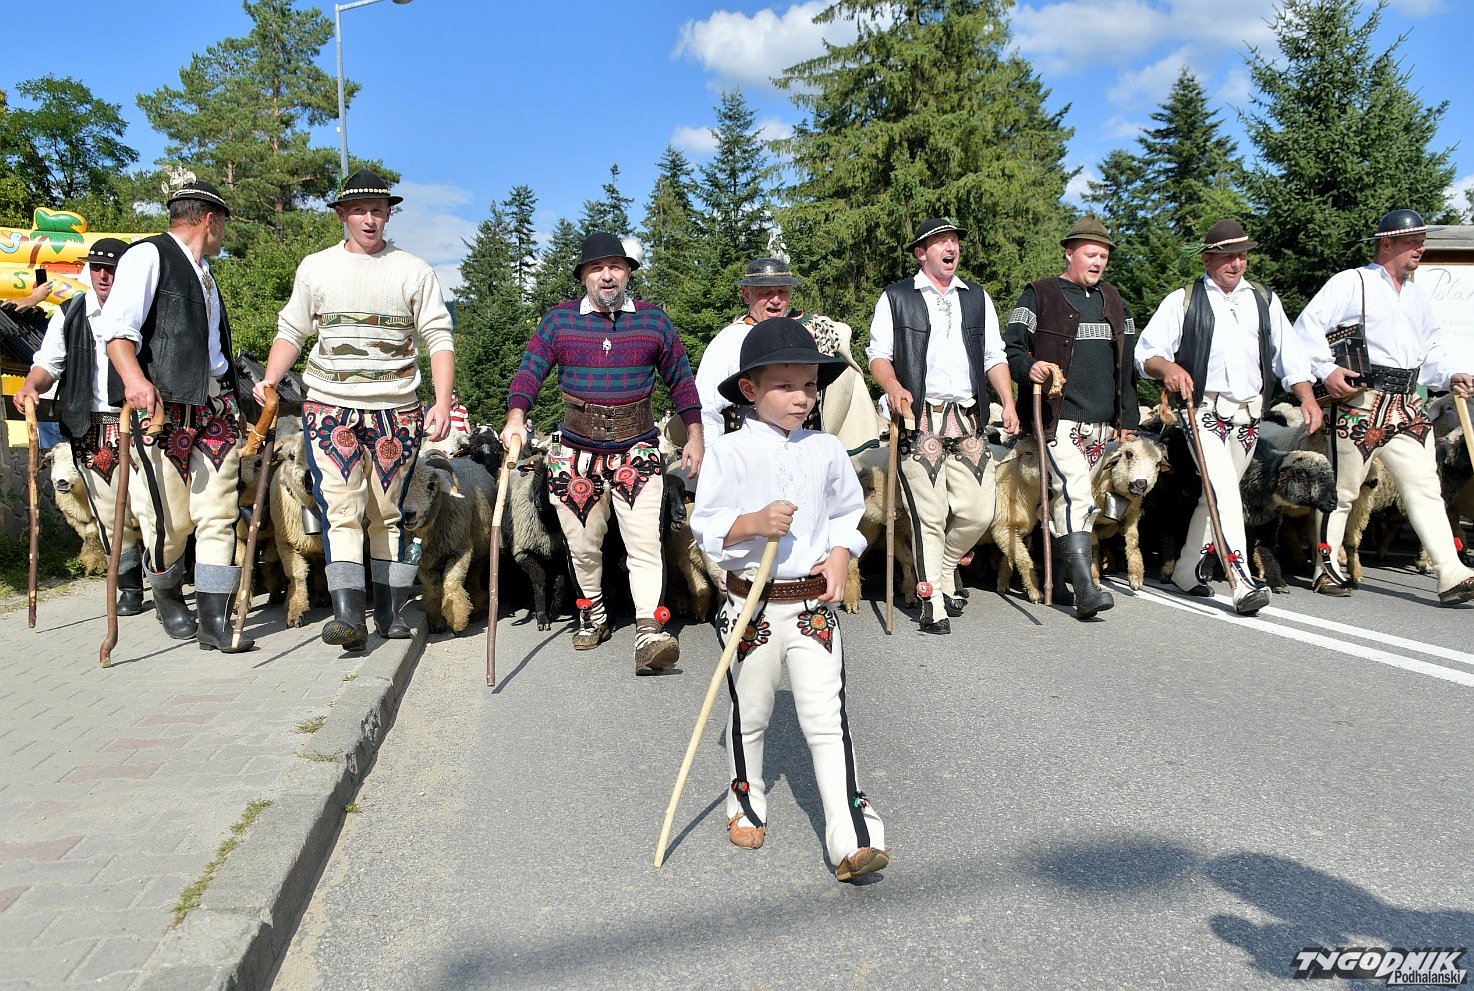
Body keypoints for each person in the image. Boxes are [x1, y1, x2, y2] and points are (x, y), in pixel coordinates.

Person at [691, 316, 888, 882]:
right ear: (749, 389)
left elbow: (849, 512)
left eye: (809, 385)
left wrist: (842, 552)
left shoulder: (826, 449)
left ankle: (851, 834)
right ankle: (746, 798)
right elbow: (706, 524)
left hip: (811, 608)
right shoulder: (729, 452)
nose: (802, 397)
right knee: (751, 713)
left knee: (826, 719)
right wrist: (752, 523)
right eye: (785, 385)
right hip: (750, 606)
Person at [258, 170, 455, 649]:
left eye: (378, 211)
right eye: (360, 210)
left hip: (396, 410)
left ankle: (389, 611)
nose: (370, 219)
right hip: (331, 406)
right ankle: (348, 616)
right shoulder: (317, 268)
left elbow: (438, 336)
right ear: (342, 215)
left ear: (389, 215)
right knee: (341, 508)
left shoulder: (413, 271)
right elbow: (292, 330)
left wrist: (442, 401)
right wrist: (269, 379)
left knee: (387, 514)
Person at [501, 232, 703, 673]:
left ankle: (649, 631)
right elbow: (530, 370)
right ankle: (593, 614)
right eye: (597, 268)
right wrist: (516, 416)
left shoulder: (653, 322)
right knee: (584, 546)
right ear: (583, 277)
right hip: (576, 453)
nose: (607, 275)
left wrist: (695, 433)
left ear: (628, 272)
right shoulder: (558, 322)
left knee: (644, 543)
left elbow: (681, 378)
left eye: (615, 266)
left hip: (638, 448)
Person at [98, 178, 254, 651]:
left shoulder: (204, 272)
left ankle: (214, 623)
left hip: (215, 406)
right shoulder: (149, 256)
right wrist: (134, 380)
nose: (224, 232)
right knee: (170, 524)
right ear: (210, 219)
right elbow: (117, 330)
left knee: (219, 513)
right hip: (161, 410)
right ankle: (166, 593)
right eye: (223, 223)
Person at [1136, 219, 1321, 615]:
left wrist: (1306, 396)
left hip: (1250, 414)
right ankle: (1241, 581)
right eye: (1227, 257)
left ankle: (1187, 569)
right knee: (1224, 491)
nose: (1237, 263)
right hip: (1202, 410)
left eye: (1242, 256)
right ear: (1207, 259)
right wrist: (1169, 368)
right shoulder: (1183, 300)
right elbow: (1146, 353)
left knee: (1217, 496)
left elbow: (1289, 355)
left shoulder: (1264, 300)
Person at [1293, 208, 1474, 605]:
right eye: (1413, 242)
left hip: (1407, 403)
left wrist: (1450, 375)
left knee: (1426, 487)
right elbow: (1305, 330)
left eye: (1422, 242)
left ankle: (1451, 572)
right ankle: (1326, 567)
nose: (1420, 249)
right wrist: (1326, 370)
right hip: (1360, 400)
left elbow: (1431, 349)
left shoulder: (1417, 295)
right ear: (1387, 243)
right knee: (1343, 491)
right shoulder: (1350, 283)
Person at [866, 217, 1020, 634]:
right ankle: (931, 600)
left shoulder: (977, 297)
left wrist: (1007, 401)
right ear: (921, 253)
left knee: (979, 511)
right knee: (929, 516)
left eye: (954, 241)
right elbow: (878, 354)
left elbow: (994, 355)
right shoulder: (897, 297)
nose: (951, 248)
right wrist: (894, 386)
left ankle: (947, 566)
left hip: (968, 417)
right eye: (940, 242)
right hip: (919, 416)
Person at [1004, 216, 1141, 619]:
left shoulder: (1114, 300)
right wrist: (1029, 367)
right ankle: (1086, 589)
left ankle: (1059, 578)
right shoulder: (1038, 294)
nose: (1098, 262)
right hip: (1056, 418)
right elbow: (1010, 349)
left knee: (1073, 500)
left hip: (1101, 422)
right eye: (1090, 254)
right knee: (1076, 493)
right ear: (1069, 253)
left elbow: (1126, 363)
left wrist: (1127, 417)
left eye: (1104, 256)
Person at [13, 239, 144, 615]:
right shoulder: (70, 313)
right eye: (97, 267)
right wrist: (31, 386)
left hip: (141, 421)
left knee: (152, 507)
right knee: (107, 511)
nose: (104, 275)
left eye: (112, 268)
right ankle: (129, 585)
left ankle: (168, 583)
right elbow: (48, 363)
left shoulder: (144, 309)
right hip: (91, 424)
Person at [693, 257, 870, 452]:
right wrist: (713, 455)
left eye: (782, 291)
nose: (776, 300)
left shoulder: (807, 335)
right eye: (766, 292)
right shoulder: (728, 341)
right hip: (747, 454)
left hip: (805, 450)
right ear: (746, 295)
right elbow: (706, 409)